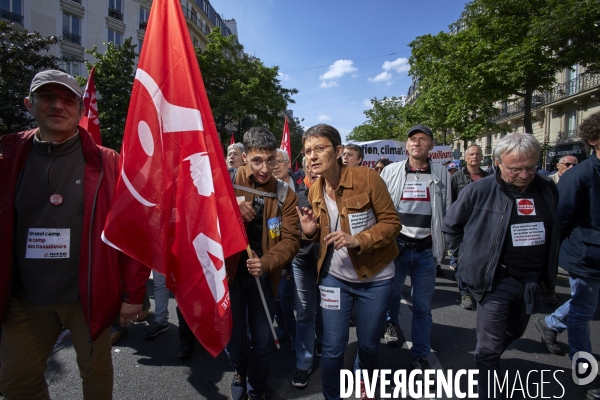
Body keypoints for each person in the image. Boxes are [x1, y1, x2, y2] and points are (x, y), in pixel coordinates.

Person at [0, 69, 149, 399]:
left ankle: (245, 374)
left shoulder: (286, 192)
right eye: (48, 97)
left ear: (80, 110)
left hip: (88, 299)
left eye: (68, 99)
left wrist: (271, 256)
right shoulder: (8, 159)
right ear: (29, 103)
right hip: (24, 299)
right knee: (15, 382)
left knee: (95, 377)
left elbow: (280, 229)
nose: (58, 105)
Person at [442, 133, 559, 399]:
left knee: (515, 330)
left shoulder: (546, 187)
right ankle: (487, 381)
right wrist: (463, 260)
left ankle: (488, 362)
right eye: (515, 168)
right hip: (495, 279)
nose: (524, 174)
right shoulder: (478, 190)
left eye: (531, 166)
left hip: (530, 280)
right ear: (497, 162)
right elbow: (451, 226)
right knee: (489, 348)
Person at [297, 124, 401, 400]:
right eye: (308, 151)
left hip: (376, 278)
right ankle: (332, 395)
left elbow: (392, 223)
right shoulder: (314, 192)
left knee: (367, 344)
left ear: (339, 151)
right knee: (332, 346)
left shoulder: (367, 178)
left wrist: (360, 240)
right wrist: (309, 233)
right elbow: (323, 235)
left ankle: (362, 384)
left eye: (320, 148)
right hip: (334, 279)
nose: (312, 156)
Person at [225, 127, 300, 400]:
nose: (265, 168)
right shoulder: (225, 183)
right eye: (257, 160)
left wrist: (266, 262)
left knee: (263, 339)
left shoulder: (284, 193)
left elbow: (291, 240)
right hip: (230, 274)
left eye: (271, 160)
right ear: (245, 158)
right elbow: (200, 213)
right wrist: (229, 206)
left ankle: (256, 388)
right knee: (233, 338)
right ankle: (239, 372)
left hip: (265, 277)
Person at [534, 112, 600, 400]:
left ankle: (550, 323)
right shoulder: (580, 176)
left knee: (585, 305)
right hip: (586, 258)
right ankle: (585, 370)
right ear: (593, 139)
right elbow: (560, 220)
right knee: (584, 310)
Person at [379, 125, 451, 374]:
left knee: (422, 305)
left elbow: (446, 211)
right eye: (413, 140)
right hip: (396, 247)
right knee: (392, 294)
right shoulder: (390, 171)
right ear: (406, 146)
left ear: (431, 145)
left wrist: (444, 244)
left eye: (423, 139)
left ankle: (420, 354)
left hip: (425, 250)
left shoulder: (442, 173)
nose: (417, 143)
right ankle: (391, 323)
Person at [291, 158, 322, 388]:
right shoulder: (294, 189)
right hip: (302, 261)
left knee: (327, 312)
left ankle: (324, 347)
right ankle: (304, 363)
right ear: (304, 167)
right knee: (304, 313)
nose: (315, 165)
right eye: (310, 162)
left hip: (329, 262)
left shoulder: (336, 189)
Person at [449, 145, 489, 310]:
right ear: (465, 157)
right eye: (471, 154)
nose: (475, 157)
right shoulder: (456, 178)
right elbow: (450, 204)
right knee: (462, 260)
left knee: (482, 259)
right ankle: (465, 291)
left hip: (484, 226)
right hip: (463, 227)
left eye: (478, 154)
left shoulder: (489, 177)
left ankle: (479, 289)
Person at [272, 148, 298, 347]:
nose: (275, 166)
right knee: (280, 297)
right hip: (278, 251)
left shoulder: (302, 186)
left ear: (288, 164)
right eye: (272, 161)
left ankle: (306, 333)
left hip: (304, 251)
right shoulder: (267, 190)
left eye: (279, 161)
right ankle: (286, 328)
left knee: (304, 303)